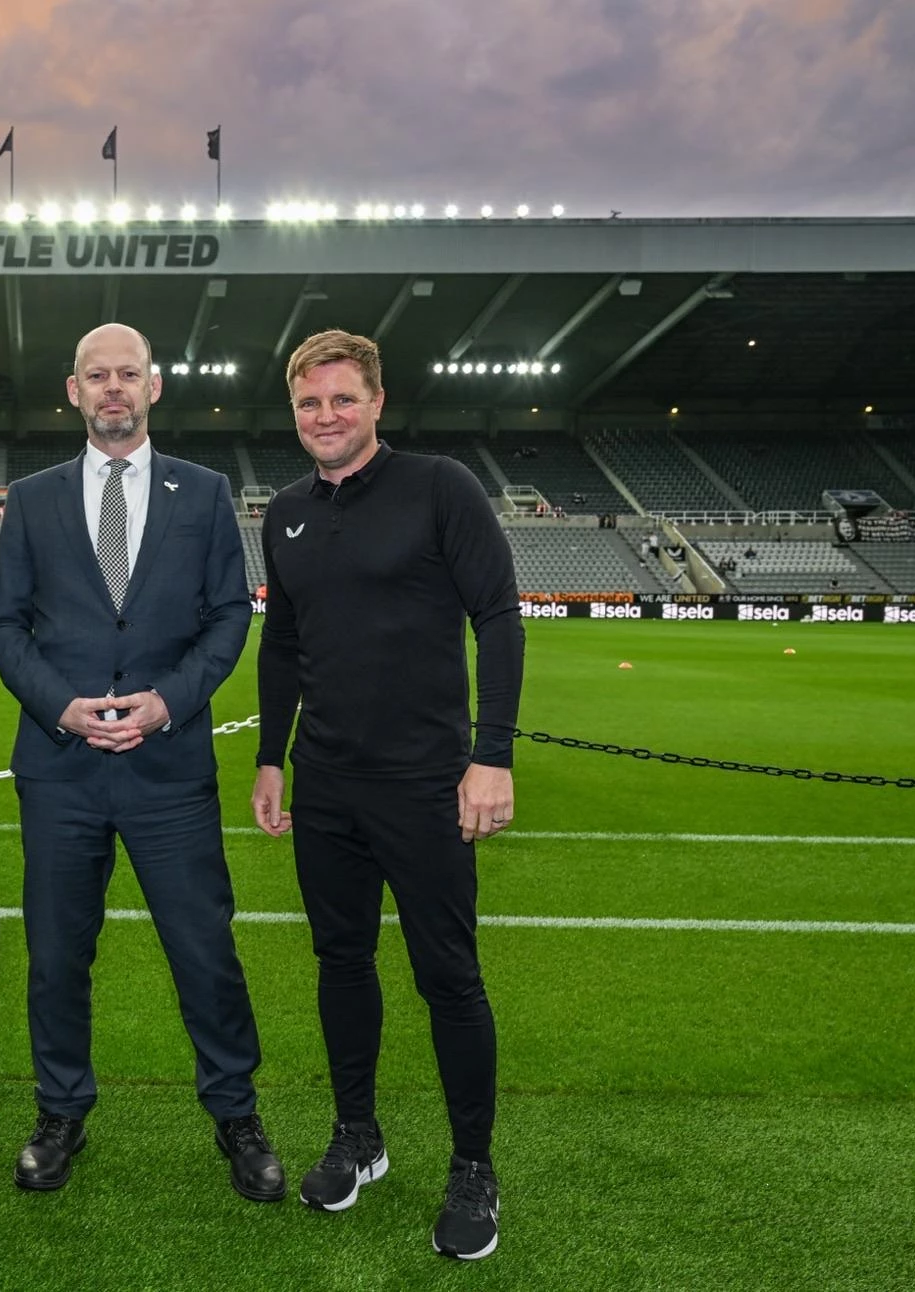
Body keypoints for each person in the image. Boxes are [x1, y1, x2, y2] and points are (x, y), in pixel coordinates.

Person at [0, 323, 281, 1202]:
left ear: (153, 387)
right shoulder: (32, 498)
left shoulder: (205, 492)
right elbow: (4, 624)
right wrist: (60, 707)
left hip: (169, 768)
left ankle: (236, 1112)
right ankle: (60, 1111)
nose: (113, 389)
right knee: (56, 957)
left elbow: (231, 614)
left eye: (128, 375)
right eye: (95, 377)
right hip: (62, 767)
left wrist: (169, 701)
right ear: (72, 392)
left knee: (203, 951)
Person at [251, 329, 523, 1260]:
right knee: (340, 963)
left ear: (376, 402)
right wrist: (271, 758)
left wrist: (493, 756)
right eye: (308, 405)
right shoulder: (282, 512)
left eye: (341, 400)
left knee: (448, 977)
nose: (325, 417)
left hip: (425, 785)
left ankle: (473, 1167)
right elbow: (282, 644)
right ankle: (358, 1136)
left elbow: (499, 617)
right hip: (326, 786)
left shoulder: (440, 486)